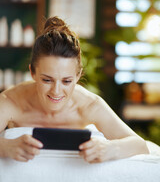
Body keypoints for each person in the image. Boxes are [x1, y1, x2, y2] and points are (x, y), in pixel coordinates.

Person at [0, 16, 149, 163]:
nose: (56, 91)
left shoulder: (90, 105)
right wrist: (6, 146)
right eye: (47, 80)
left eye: (66, 81)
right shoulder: (11, 101)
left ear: (77, 76)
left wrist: (110, 148)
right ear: (32, 72)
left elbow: (140, 145)